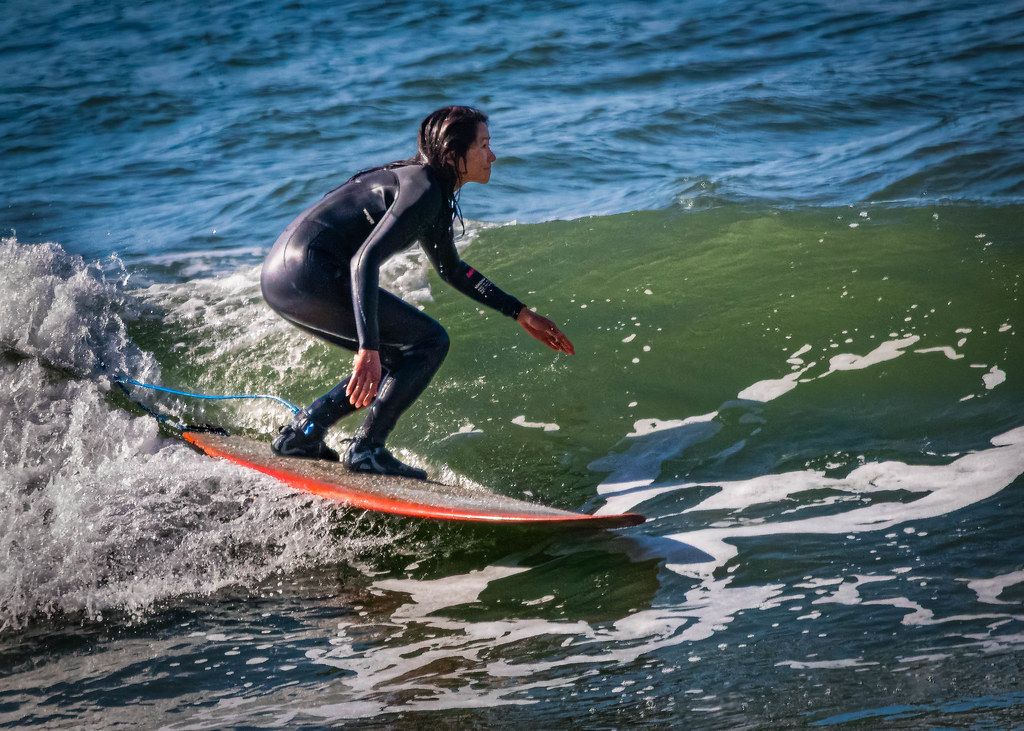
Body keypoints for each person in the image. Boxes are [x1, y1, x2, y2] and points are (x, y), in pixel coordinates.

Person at [260, 106, 575, 479]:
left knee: (404, 353)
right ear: (453, 154)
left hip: (284, 276)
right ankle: (367, 449)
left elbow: (452, 270)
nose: (492, 156)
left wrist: (520, 313)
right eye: (483, 145)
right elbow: (364, 260)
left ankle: (304, 433)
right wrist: (368, 348)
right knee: (428, 342)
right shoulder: (423, 189)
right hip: (308, 271)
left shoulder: (429, 189)